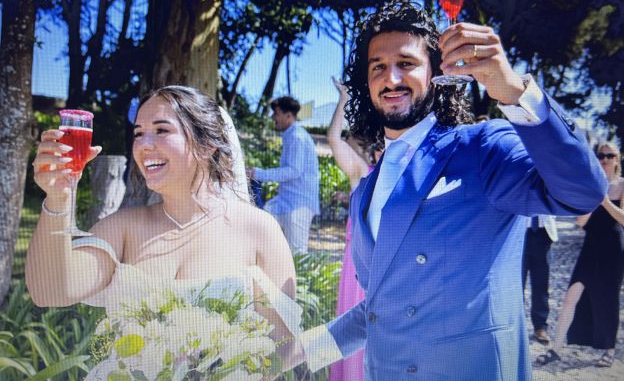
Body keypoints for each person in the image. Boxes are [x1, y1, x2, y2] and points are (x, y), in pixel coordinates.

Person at [295, 1, 607, 380]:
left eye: (406, 63)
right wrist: (291, 354)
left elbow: (582, 192)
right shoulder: (366, 192)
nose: (391, 78)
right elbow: (379, 311)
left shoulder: (482, 148)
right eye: (378, 67)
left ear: (435, 72)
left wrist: (513, 91)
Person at [25, 85, 301, 378]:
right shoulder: (122, 228)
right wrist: (58, 199)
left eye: (161, 130)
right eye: (138, 133)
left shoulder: (259, 229)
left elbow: (282, 347)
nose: (144, 144)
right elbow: (49, 291)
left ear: (206, 144)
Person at [536, 141, 624, 368]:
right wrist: (594, 195)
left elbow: (623, 217)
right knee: (571, 295)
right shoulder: (591, 186)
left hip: (612, 249)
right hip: (591, 246)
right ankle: (555, 348)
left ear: (618, 159)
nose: (606, 160)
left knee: (609, 298)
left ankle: (609, 349)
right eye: (601, 156)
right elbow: (580, 222)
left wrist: (604, 199)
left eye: (610, 155)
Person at [327, 76, 381, 381]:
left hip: (387, 266)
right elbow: (334, 138)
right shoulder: (362, 173)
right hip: (358, 265)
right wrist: (344, 101)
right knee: (354, 331)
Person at [249, 96, 320, 255]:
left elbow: (293, 171)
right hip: (286, 201)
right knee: (263, 223)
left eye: (277, 113)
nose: (274, 117)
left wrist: (258, 173)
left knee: (297, 254)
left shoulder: (297, 137)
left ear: (289, 116)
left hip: (298, 205)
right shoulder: (291, 134)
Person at [522, 214, 558, 345]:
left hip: (544, 233)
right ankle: (515, 326)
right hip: (519, 232)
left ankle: (540, 326)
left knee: (541, 284)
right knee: (516, 285)